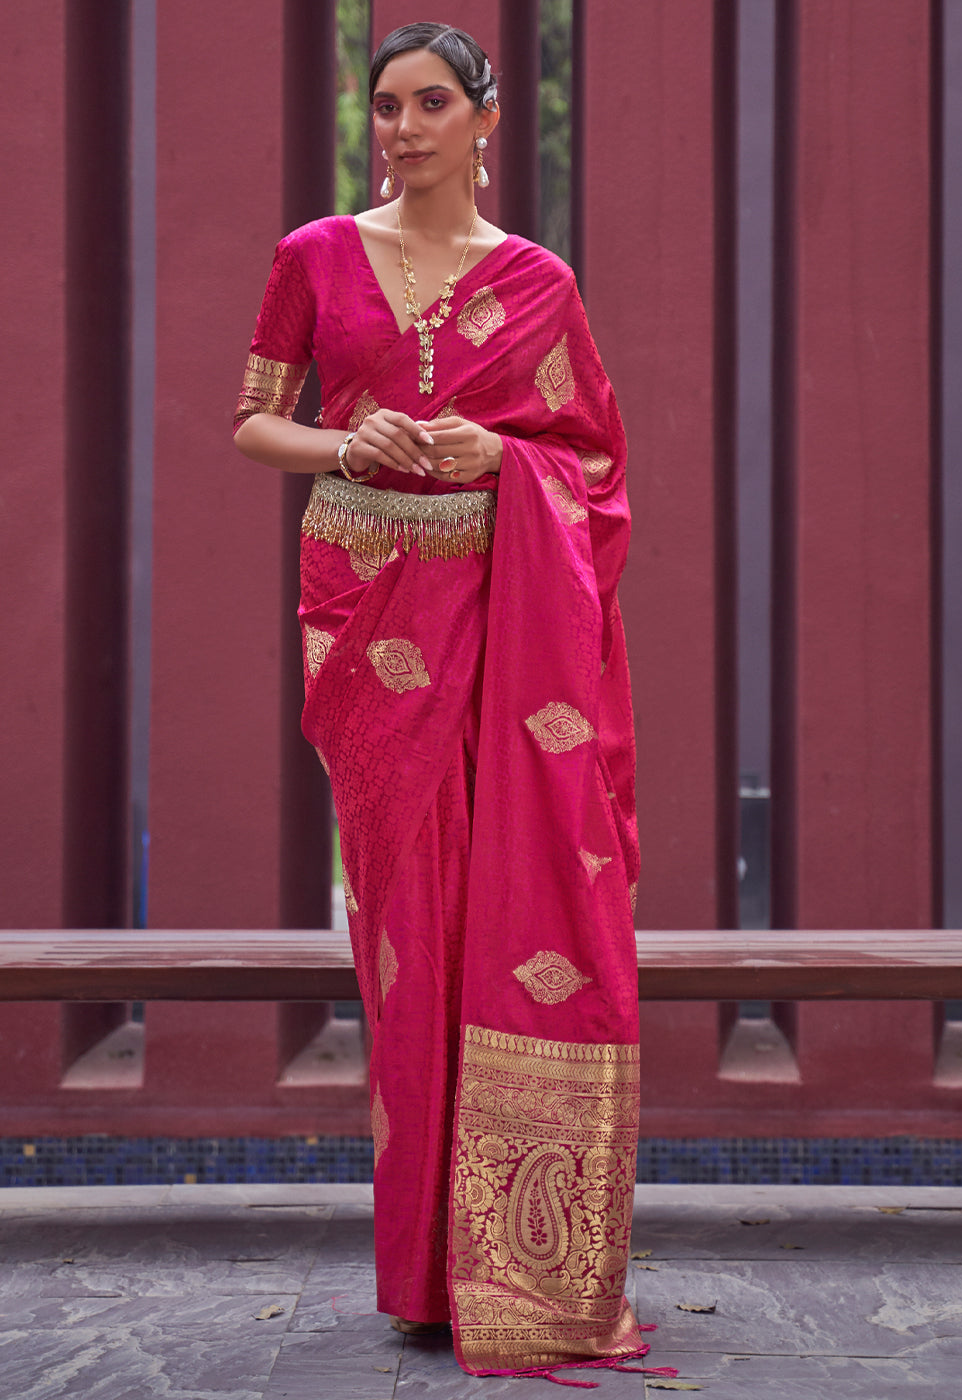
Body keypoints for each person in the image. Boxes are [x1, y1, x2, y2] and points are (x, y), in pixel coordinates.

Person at [234, 21, 674, 1387]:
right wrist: (339, 435)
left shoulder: (540, 283)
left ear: (487, 121)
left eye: (432, 102)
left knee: (524, 909)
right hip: (372, 629)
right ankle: (429, 1271)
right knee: (408, 937)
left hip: (509, 623)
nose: (404, 125)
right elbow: (253, 422)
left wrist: (503, 456)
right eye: (387, 104)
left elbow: (593, 466)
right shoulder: (315, 258)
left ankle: (529, 1278)